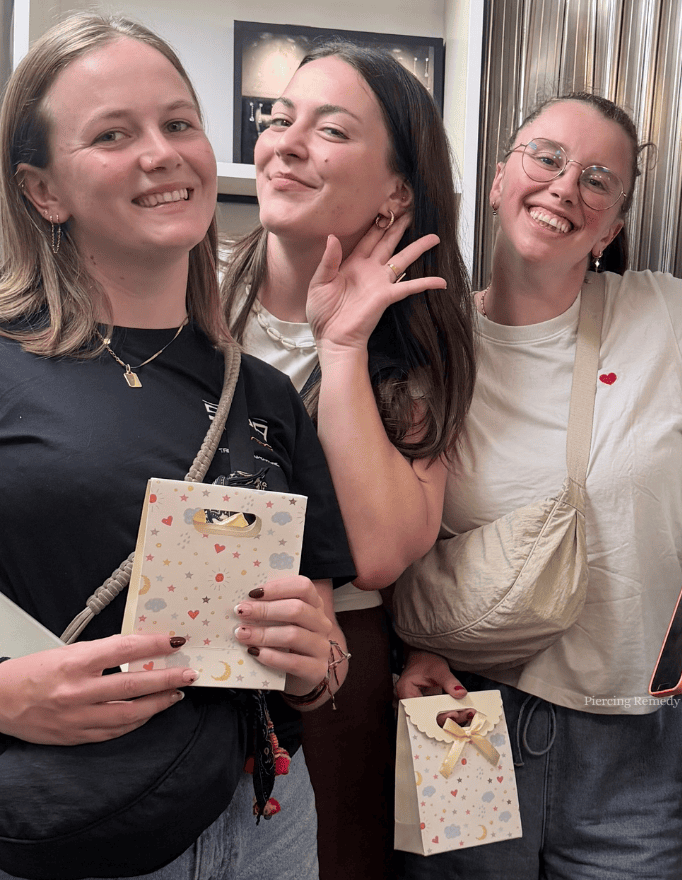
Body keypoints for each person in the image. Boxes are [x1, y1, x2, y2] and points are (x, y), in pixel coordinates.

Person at [0, 13, 355, 880]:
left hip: (264, 815)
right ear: (43, 192)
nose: (161, 153)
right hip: (66, 826)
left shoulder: (265, 394)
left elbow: (319, 635)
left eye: (177, 123)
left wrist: (317, 663)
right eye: (113, 134)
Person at [395, 93, 682, 879]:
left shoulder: (674, 318)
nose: (565, 187)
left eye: (598, 180)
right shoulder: (429, 340)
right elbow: (391, 525)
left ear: (611, 225)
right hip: (462, 717)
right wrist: (406, 646)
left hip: (640, 745)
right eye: (546, 158)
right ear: (501, 175)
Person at [222, 43, 476, 880]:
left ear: (398, 190)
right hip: (177, 634)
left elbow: (376, 553)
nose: (285, 143)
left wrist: (342, 349)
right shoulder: (190, 290)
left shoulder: (416, 338)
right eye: (278, 118)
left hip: (330, 664)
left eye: (329, 129)